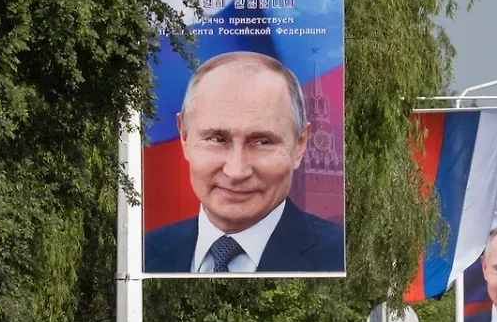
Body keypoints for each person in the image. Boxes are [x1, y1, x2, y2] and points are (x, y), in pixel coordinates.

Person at [142, 51, 345, 274]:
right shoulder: (143, 253)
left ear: (300, 144)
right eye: (217, 139)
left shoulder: (337, 255)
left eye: (262, 141)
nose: (236, 171)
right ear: (184, 136)